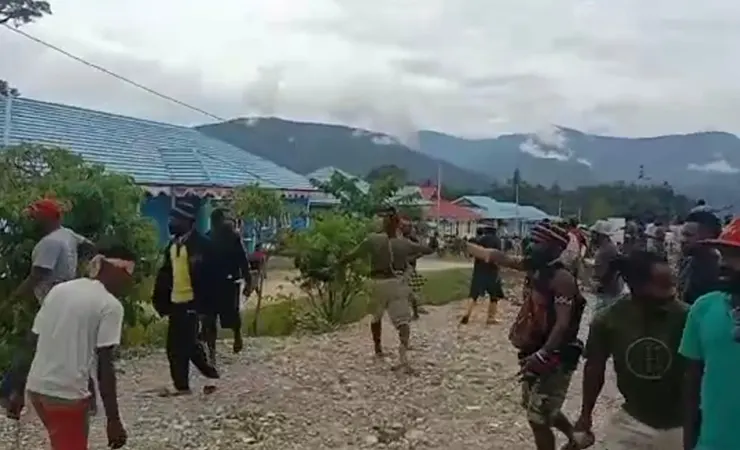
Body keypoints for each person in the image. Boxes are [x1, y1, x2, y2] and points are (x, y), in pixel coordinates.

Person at [467, 221, 586, 450]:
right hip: (534, 352)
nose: (530, 246)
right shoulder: (536, 268)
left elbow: (562, 324)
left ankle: (572, 438)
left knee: (537, 418)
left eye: (537, 243)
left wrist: (543, 355)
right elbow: (500, 258)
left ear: (552, 248)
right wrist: (468, 247)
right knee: (537, 407)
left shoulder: (562, 279)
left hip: (555, 356)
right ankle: (575, 436)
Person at [4, 245, 136, 450]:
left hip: (37, 390)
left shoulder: (60, 290)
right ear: (113, 269)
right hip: (67, 395)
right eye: (128, 274)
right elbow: (105, 367)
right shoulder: (110, 306)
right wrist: (113, 421)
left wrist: (17, 390)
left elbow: (32, 340)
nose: (129, 281)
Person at [574, 250, 686, 449]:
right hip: (634, 420)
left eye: (672, 288)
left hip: (683, 425)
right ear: (636, 288)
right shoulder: (609, 319)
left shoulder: (689, 317)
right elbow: (594, 368)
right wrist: (585, 416)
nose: (671, 297)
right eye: (661, 294)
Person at [1, 198, 96, 410]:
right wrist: (80, 269)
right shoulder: (67, 234)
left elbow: (37, 275)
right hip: (65, 303)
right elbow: (89, 247)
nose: (32, 221)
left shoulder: (49, 244)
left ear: (48, 218)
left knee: (32, 347)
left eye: (36, 217)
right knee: (68, 350)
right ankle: (87, 400)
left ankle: (10, 395)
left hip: (54, 305)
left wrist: (10, 301)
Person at [343, 206, 433, 373]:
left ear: (382, 223)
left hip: (376, 283)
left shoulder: (372, 240)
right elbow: (427, 250)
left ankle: (378, 349)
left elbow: (351, 256)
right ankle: (403, 355)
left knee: (376, 318)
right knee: (403, 322)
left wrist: (336, 265)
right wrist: (430, 243)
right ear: (398, 225)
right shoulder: (404, 243)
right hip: (396, 284)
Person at [680, 218, 740, 450]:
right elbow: (692, 380)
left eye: (735, 257)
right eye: (722, 254)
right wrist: (688, 443)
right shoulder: (704, 308)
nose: (723, 263)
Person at [152, 199, 219, 396]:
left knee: (182, 345)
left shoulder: (204, 246)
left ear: (189, 221)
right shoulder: (172, 246)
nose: (171, 222)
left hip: (194, 303)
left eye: (176, 219)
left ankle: (184, 386)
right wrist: (160, 301)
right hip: (175, 303)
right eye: (171, 217)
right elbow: (165, 275)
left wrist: (208, 308)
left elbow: (213, 278)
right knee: (179, 344)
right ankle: (202, 374)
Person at [201, 208, 252, 363]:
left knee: (220, 317)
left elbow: (243, 260)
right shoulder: (214, 238)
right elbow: (243, 261)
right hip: (223, 283)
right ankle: (216, 350)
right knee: (220, 316)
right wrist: (248, 280)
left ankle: (215, 350)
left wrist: (248, 280)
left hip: (219, 283)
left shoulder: (214, 237)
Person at [461, 225, 504, 325]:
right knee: (494, 296)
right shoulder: (497, 241)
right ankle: (491, 318)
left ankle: (467, 314)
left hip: (479, 271)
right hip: (492, 272)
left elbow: (472, 253)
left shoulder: (480, 240)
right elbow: (499, 257)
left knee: (473, 295)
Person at [677, 210, 722, 305]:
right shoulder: (687, 262)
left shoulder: (720, 271)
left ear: (709, 237)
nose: (682, 240)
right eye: (682, 234)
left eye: (688, 235)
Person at [589, 220, 626, 315]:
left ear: (601, 235)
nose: (591, 236)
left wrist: (595, 283)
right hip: (611, 289)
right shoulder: (608, 248)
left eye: (594, 233)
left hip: (608, 291)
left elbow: (603, 273)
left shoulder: (605, 251)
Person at [400, 218, 427, 320]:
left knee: (409, 291)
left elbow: (420, 252)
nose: (402, 228)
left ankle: (415, 313)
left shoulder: (412, 239)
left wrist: (409, 259)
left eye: (404, 226)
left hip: (409, 267)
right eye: (402, 226)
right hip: (402, 267)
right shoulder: (401, 238)